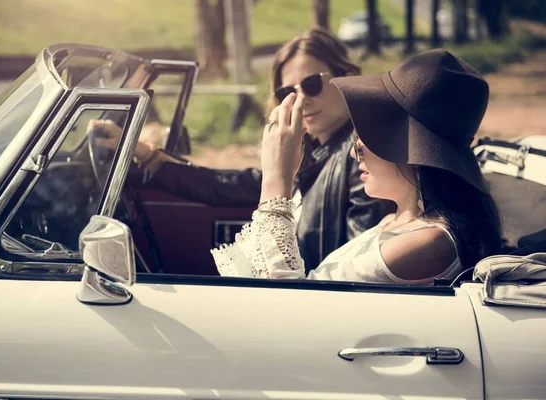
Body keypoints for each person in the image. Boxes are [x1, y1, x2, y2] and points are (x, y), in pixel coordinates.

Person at [93, 28, 394, 272]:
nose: (301, 100)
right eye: (287, 92)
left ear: (347, 77)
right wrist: (147, 154)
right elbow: (224, 186)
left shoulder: (363, 157)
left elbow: (356, 274)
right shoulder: (310, 155)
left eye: (312, 84)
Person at [211, 49, 504, 283]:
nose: (355, 152)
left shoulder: (427, 243)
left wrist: (277, 181)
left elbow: (286, 304)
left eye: (368, 137)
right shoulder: (400, 221)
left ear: (412, 151)